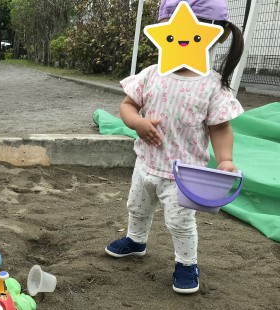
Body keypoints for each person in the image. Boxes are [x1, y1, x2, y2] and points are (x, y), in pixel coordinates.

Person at [104, 0, 244, 294]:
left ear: (214, 36)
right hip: (145, 164)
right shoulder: (151, 74)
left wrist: (225, 159)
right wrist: (136, 122)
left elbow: (220, 127)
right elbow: (128, 105)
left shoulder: (212, 85)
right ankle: (136, 240)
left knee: (180, 222)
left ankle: (186, 263)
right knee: (137, 208)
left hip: (183, 175)